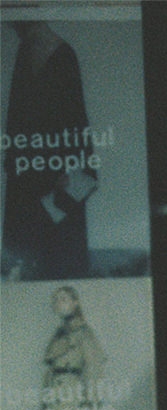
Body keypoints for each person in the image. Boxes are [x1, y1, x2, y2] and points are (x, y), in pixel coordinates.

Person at [2, 21, 97, 280]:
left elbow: (76, 127)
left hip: (52, 186)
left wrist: (70, 179)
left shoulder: (58, 56)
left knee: (55, 261)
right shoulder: (28, 52)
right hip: (34, 184)